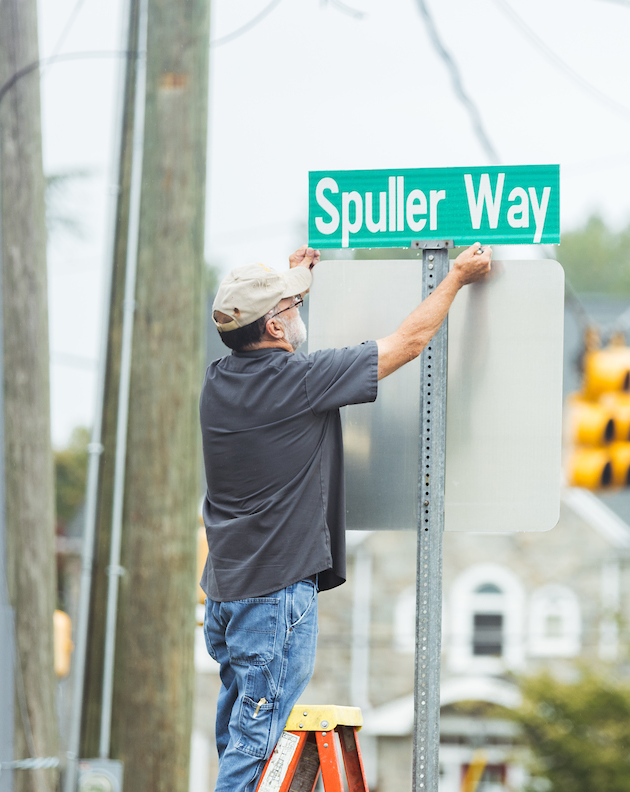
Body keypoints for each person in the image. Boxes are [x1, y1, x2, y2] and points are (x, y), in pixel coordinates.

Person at [199, 242, 492, 790]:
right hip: (274, 595)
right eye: (290, 309)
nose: (298, 311)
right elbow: (407, 343)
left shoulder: (219, 382)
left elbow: (264, 319)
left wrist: (296, 279)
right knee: (255, 745)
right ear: (276, 330)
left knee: (239, 738)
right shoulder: (297, 383)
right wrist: (454, 279)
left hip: (227, 592)